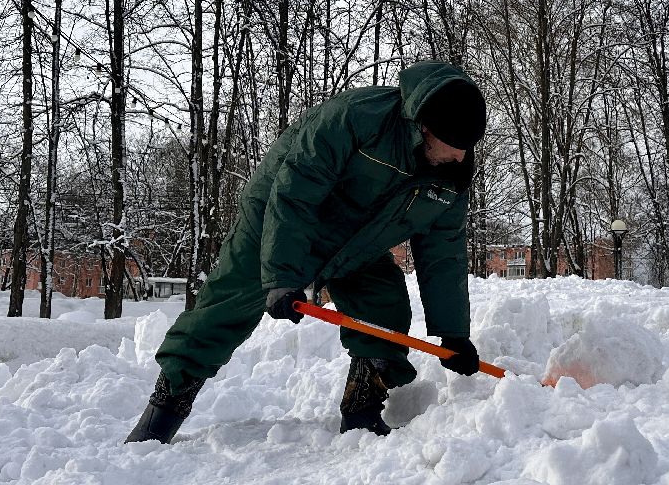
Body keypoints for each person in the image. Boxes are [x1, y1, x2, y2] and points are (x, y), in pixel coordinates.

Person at [126, 61, 488, 444]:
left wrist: (454, 334)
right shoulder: (355, 118)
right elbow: (295, 192)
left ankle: (362, 413)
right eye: (454, 147)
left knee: (384, 306)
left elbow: (444, 254)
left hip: (359, 239)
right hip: (278, 214)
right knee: (226, 305)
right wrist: (282, 276)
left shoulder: (451, 172)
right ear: (425, 126)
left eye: (467, 149)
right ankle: (162, 414)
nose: (461, 158)